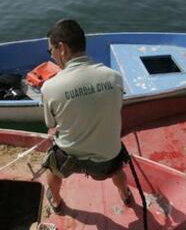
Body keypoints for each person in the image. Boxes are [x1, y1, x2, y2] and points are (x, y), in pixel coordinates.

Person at [41, 19, 132, 214]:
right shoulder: (114, 77)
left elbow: (51, 124)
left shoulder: (50, 87)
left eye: (51, 51)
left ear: (62, 48)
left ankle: (56, 202)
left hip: (70, 157)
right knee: (117, 170)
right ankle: (125, 194)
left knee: (51, 168)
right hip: (108, 157)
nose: (52, 56)